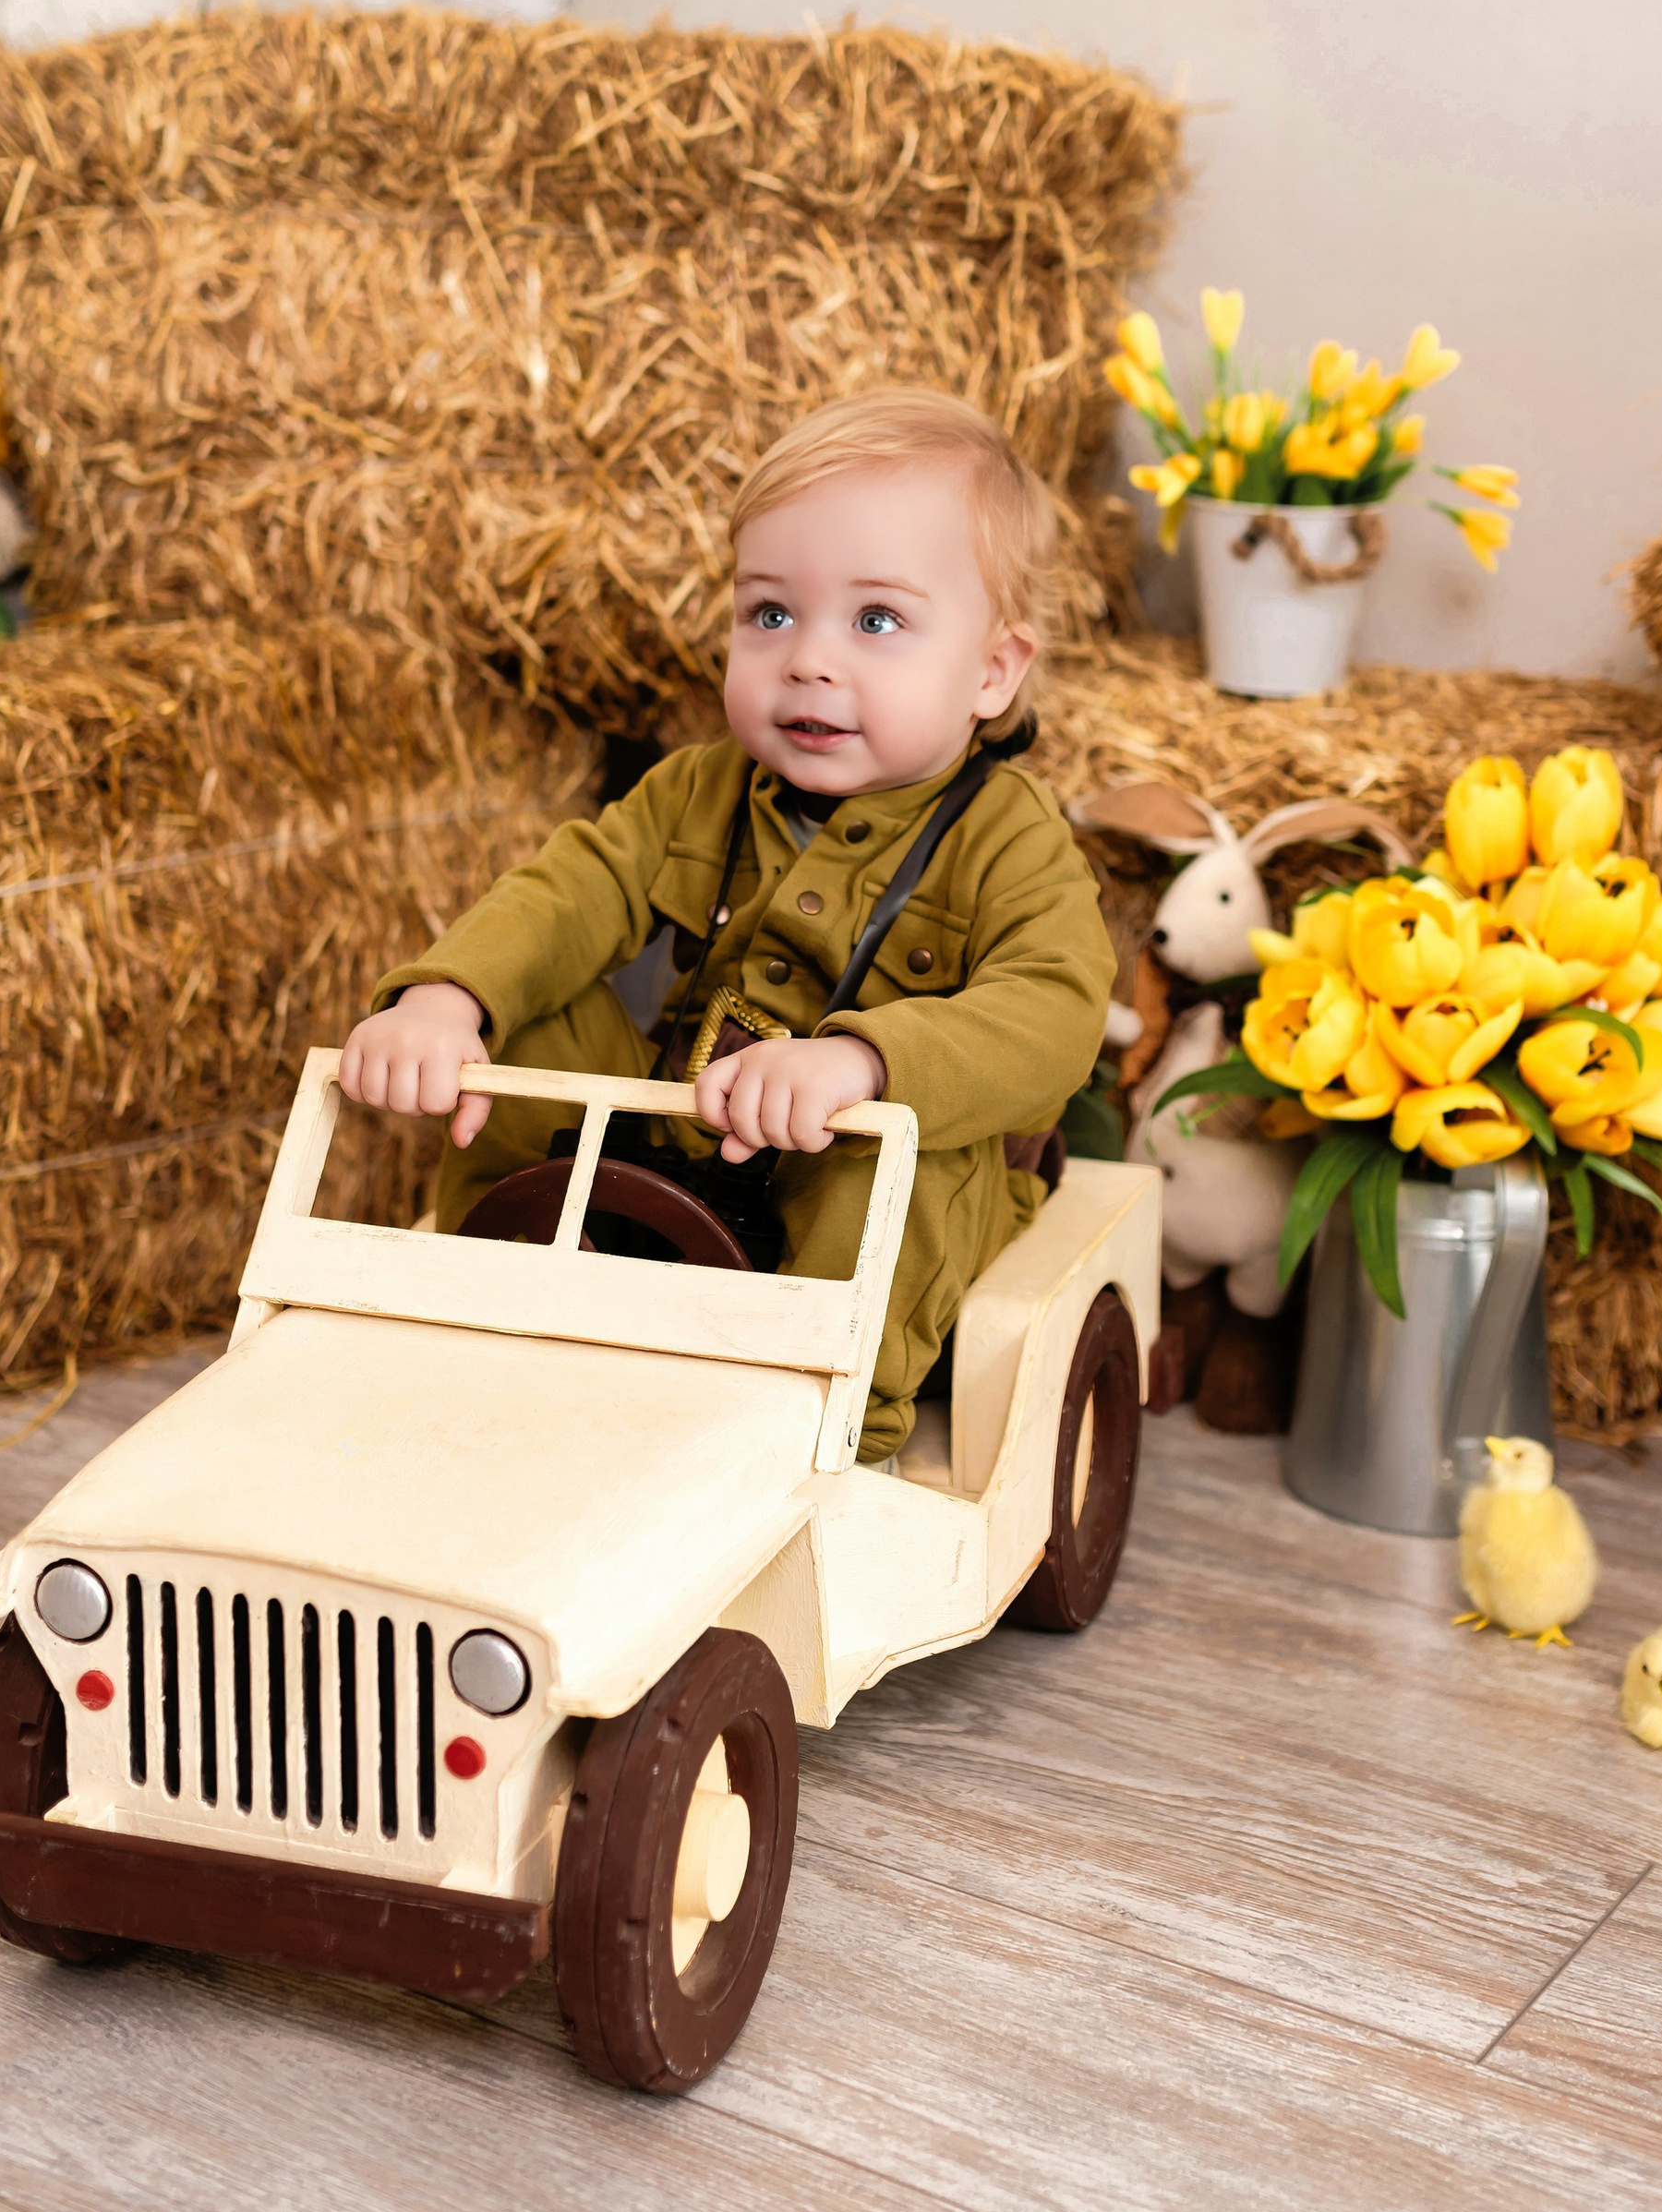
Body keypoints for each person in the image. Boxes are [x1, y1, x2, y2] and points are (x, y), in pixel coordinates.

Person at [338, 388, 1116, 1464]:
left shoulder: (1009, 840)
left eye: (875, 621)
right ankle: (500, 1288)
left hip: (859, 1165)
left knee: (890, 1164)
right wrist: (447, 999)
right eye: (770, 614)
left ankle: (821, 1418)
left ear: (991, 671)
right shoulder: (699, 790)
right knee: (529, 1035)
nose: (809, 659)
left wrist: (866, 1063)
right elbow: (572, 888)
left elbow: (1053, 1013)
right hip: (692, 1114)